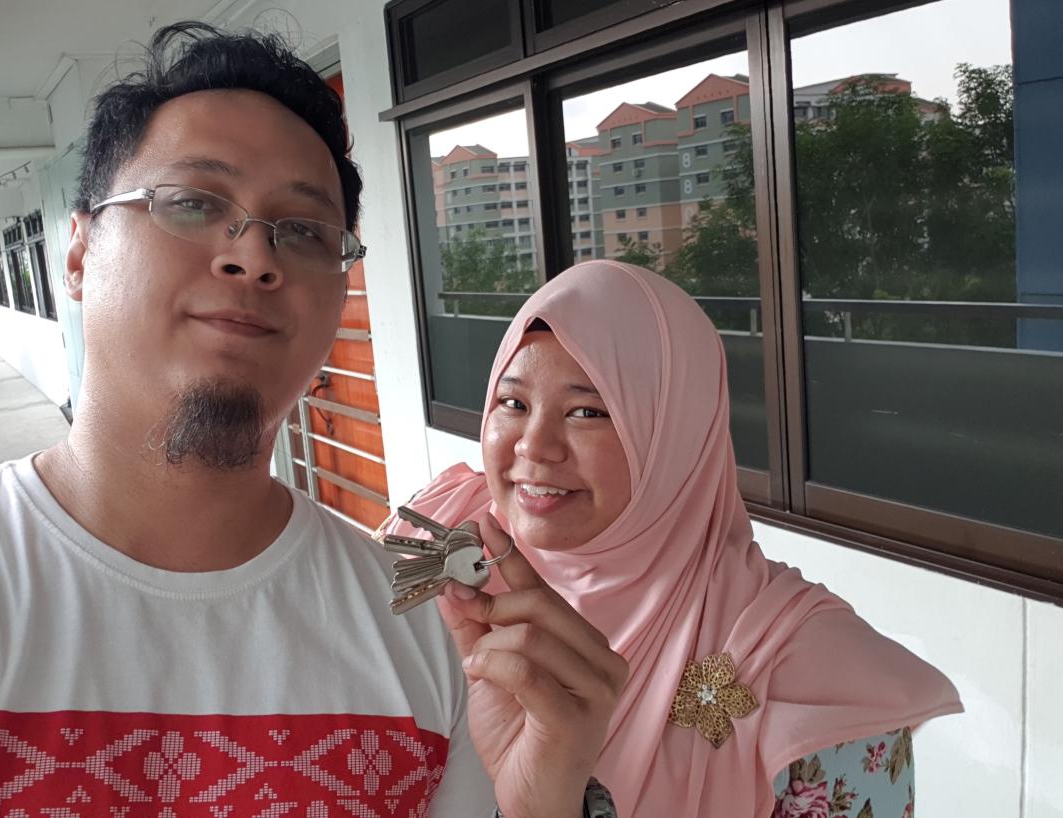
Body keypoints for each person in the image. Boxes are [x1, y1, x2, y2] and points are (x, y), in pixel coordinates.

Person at [0, 24, 624, 818]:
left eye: (303, 230)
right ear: (76, 255)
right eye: (193, 203)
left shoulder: (427, 636)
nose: (253, 255)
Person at [382, 259, 963, 817]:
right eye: (512, 403)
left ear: (676, 434)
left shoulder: (806, 674)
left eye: (588, 412)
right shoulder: (433, 544)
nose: (534, 446)